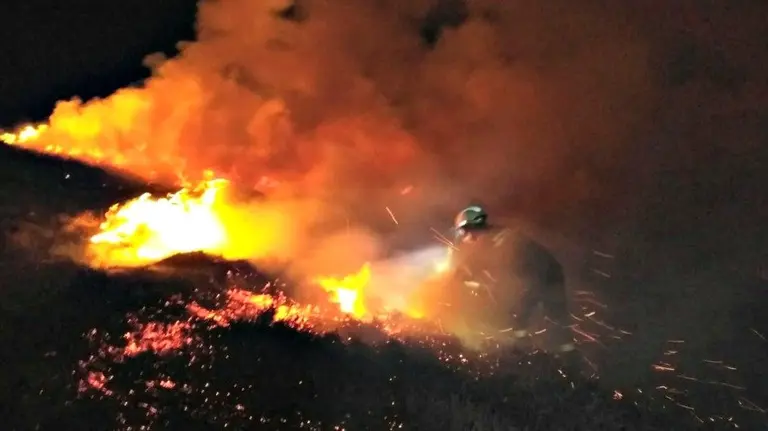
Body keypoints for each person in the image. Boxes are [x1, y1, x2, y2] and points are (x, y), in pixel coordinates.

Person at [448, 204, 575, 354]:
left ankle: (526, 354)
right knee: (551, 318)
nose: (463, 237)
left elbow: (482, 261)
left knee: (519, 317)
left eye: (463, 232)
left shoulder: (491, 240)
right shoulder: (496, 234)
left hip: (539, 276)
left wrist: (465, 276)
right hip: (548, 273)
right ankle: (564, 355)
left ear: (470, 228)